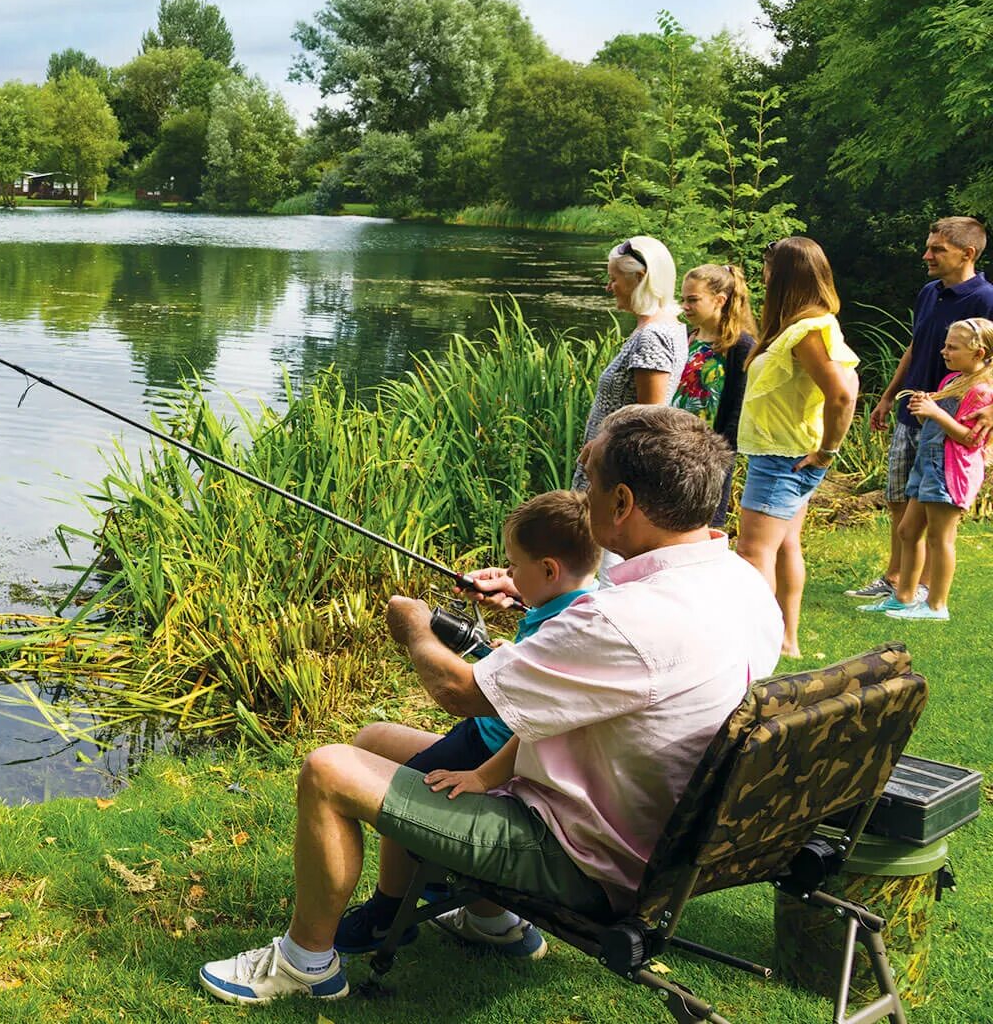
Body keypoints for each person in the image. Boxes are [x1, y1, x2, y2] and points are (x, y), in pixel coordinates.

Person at [196, 407, 781, 1006]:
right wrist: (537, 599)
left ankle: (304, 965)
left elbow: (461, 692)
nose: (584, 492)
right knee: (372, 740)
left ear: (623, 502)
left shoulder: (622, 622)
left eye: (591, 480)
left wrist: (418, 629)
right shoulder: (740, 585)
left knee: (328, 769)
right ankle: (492, 922)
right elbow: (616, 658)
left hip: (583, 856)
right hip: (654, 830)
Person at [338, 489, 598, 959]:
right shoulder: (586, 606)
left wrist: (482, 776)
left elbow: (534, 723)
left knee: (402, 795)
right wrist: (517, 596)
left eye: (515, 565)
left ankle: (388, 912)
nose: (509, 573)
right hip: (497, 736)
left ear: (549, 570)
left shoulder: (559, 630)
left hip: (494, 747)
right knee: (376, 744)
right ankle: (481, 912)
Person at [849, 217, 993, 602]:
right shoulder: (929, 291)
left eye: (937, 250)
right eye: (929, 246)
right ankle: (895, 577)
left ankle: (926, 586)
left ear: (968, 253)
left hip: (951, 421)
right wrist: (887, 396)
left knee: (934, 505)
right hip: (913, 411)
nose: (926, 254)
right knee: (900, 498)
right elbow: (915, 347)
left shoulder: (986, 299)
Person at [733, 236, 859, 658]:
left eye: (768, 268)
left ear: (784, 275)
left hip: (782, 456)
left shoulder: (809, 329)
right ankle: (785, 640)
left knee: (753, 551)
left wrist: (828, 451)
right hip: (790, 452)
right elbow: (851, 382)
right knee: (786, 545)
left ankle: (755, 644)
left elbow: (843, 394)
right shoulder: (813, 324)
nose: (763, 276)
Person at [860, 318, 993, 621]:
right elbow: (933, 426)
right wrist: (923, 411)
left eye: (952, 347)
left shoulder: (982, 392)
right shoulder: (950, 381)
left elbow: (971, 439)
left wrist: (934, 411)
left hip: (949, 470)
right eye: (945, 345)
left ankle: (936, 605)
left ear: (978, 353)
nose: (944, 351)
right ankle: (902, 598)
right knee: (908, 531)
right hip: (927, 465)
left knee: (939, 538)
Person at [573, 237, 687, 493]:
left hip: (616, 471)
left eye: (614, 279)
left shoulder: (653, 336)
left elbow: (650, 417)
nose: (608, 287)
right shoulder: (668, 326)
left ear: (640, 278)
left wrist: (601, 445)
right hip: (609, 463)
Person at [672, 264, 758, 527]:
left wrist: (722, 455)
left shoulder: (739, 345)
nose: (685, 306)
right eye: (683, 299)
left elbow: (738, 408)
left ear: (719, 300)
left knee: (703, 523)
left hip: (711, 452)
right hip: (674, 444)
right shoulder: (686, 338)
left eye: (693, 300)